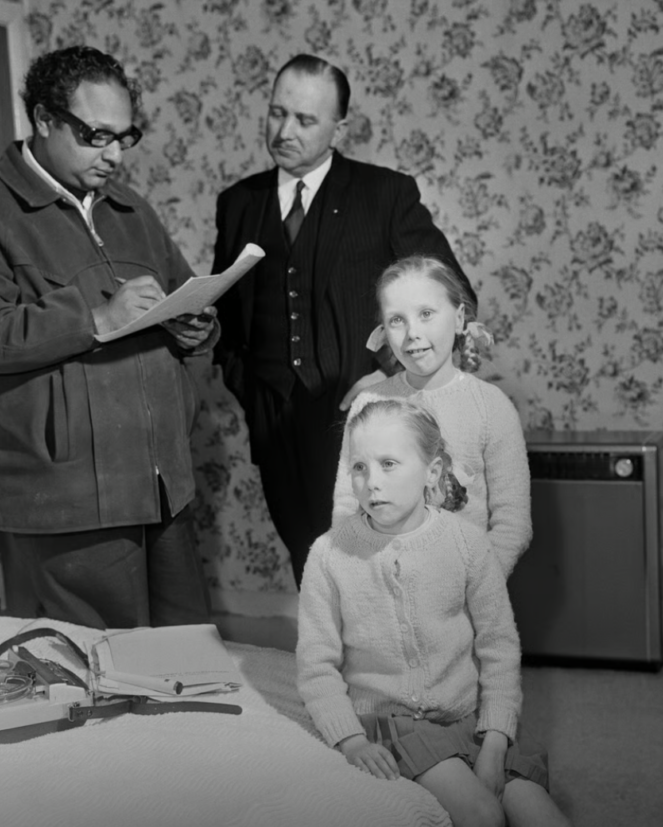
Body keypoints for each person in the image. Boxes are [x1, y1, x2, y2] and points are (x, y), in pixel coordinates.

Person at [0, 46, 217, 630]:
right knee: (97, 661)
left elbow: (183, 292)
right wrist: (96, 318)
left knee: (187, 652)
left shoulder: (131, 209)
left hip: (162, 482)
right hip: (68, 496)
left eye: (124, 137)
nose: (114, 155)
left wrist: (195, 326)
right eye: (96, 135)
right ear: (44, 119)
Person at [212, 53, 476, 586]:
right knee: (310, 567)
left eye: (305, 119)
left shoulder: (384, 194)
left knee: (378, 577)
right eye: (277, 113)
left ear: (339, 128)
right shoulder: (238, 203)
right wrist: (250, 388)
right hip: (275, 425)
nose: (285, 131)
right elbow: (227, 314)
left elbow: (454, 298)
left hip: (365, 424)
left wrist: (393, 378)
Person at [297, 400, 570, 827]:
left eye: (389, 464)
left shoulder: (467, 544)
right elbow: (316, 667)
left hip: (471, 718)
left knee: (542, 817)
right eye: (359, 467)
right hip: (395, 723)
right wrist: (350, 740)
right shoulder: (328, 555)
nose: (372, 482)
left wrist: (495, 741)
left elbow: (499, 647)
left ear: (432, 471)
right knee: (484, 815)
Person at [332, 255, 530, 578]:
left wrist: (475, 586)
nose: (412, 332)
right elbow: (346, 507)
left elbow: (513, 525)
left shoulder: (492, 407)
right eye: (397, 320)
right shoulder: (368, 404)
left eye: (426, 314)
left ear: (459, 318)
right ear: (383, 331)